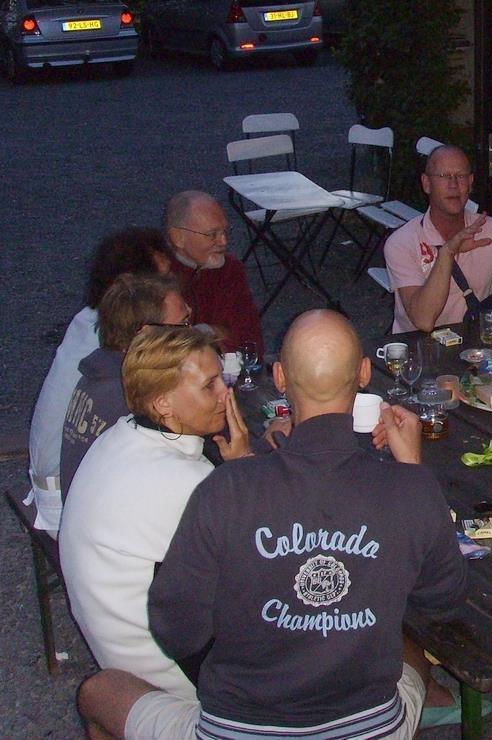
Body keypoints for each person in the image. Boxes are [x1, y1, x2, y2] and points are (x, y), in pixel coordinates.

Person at [77, 310, 468, 739]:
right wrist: (411, 470)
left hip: (237, 730)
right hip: (369, 730)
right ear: (363, 373)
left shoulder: (223, 489)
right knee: (411, 653)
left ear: (280, 377)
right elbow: (442, 601)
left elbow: (178, 632)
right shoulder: (412, 487)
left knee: (98, 691)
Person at [60, 327, 251, 708]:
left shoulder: (119, 435)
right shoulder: (186, 482)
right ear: (163, 403)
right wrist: (245, 468)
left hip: (116, 641)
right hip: (168, 675)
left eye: (222, 379)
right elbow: (266, 552)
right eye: (209, 385)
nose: (226, 394)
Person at [26, 227, 171, 536]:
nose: (171, 292)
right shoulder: (119, 344)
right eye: (160, 283)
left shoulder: (88, 320)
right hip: (68, 503)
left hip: (53, 482)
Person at [59, 272, 190, 506]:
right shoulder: (132, 395)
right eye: (184, 325)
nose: (191, 333)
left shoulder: (98, 375)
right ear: (146, 333)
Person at [384, 144, 492, 332]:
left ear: (470, 182)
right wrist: (447, 253)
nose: (453, 184)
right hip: (420, 346)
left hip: (476, 344)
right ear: (426, 183)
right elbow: (424, 320)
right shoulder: (401, 243)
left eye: (461, 176)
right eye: (444, 176)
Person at [164, 190, 264, 356]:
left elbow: (251, 342)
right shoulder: (158, 274)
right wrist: (217, 332)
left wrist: (202, 332)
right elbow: (160, 346)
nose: (224, 241)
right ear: (178, 237)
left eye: (225, 232)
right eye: (212, 235)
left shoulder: (231, 269)